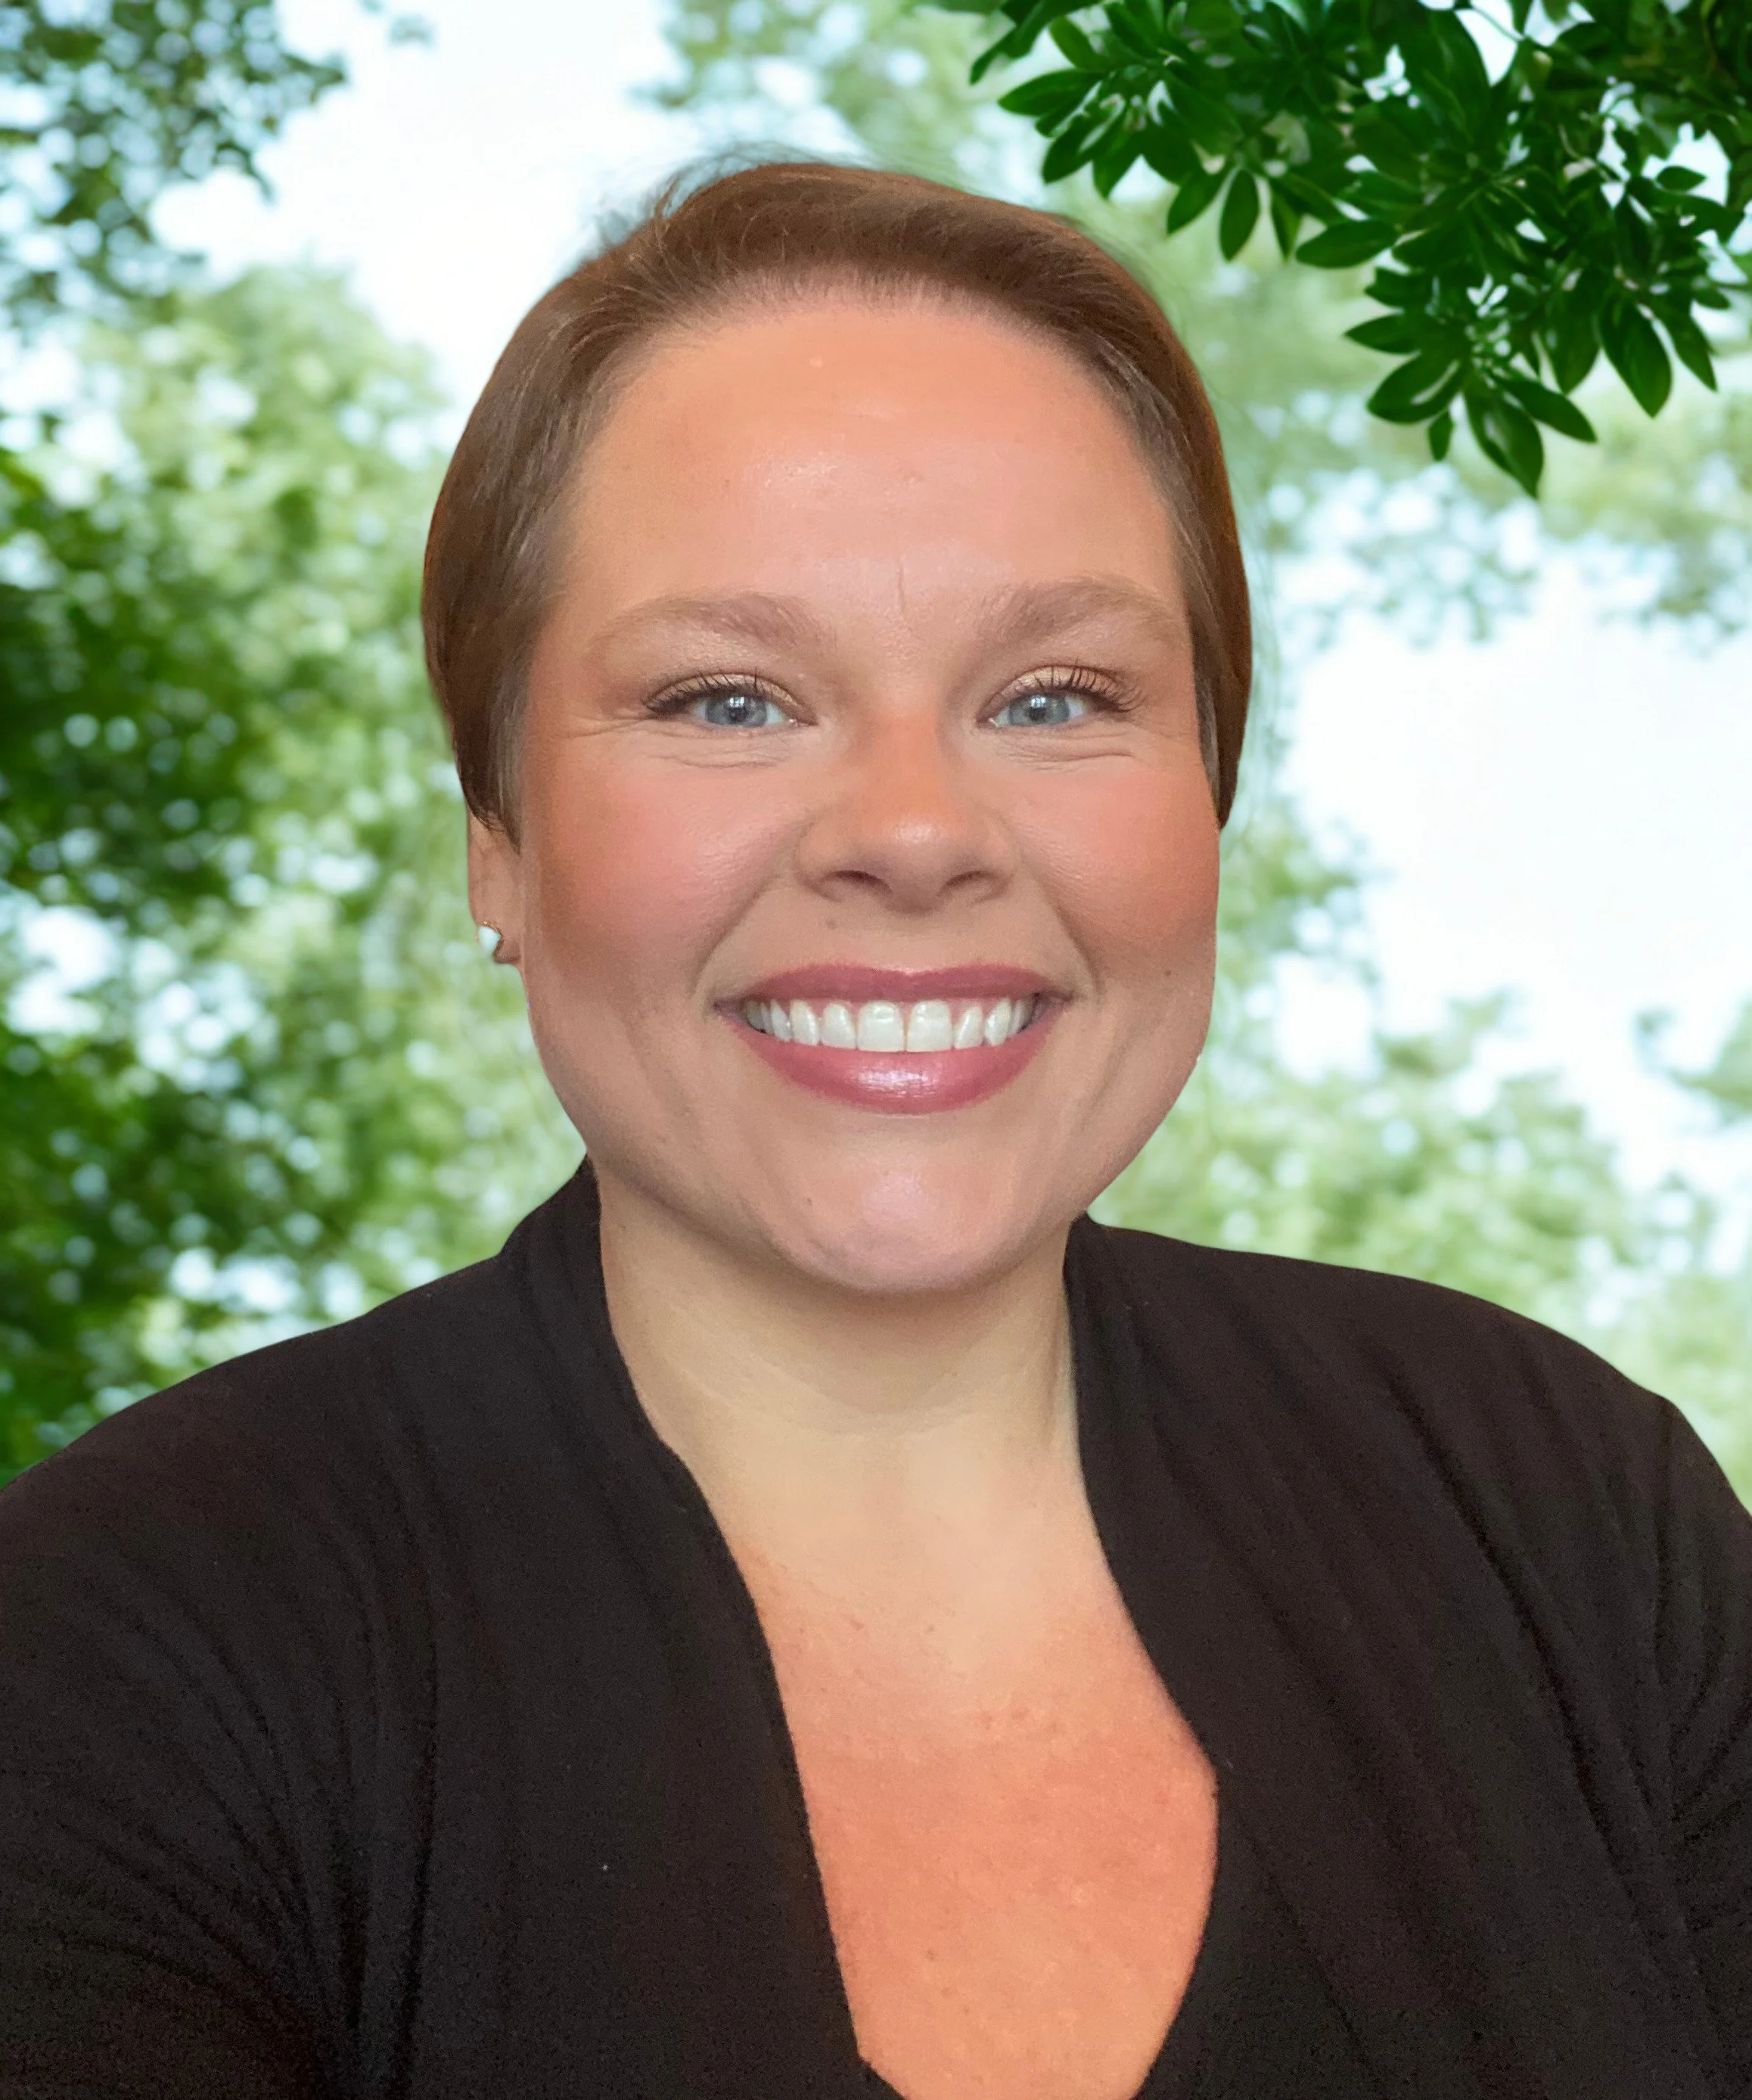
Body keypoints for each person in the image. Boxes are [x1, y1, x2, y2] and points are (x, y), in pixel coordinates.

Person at [0, 160, 1746, 2100]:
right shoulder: (126, 1633)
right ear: (496, 838)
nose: (914, 832)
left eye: (1056, 693)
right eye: (731, 698)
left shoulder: (1571, 1514)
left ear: (1208, 801)